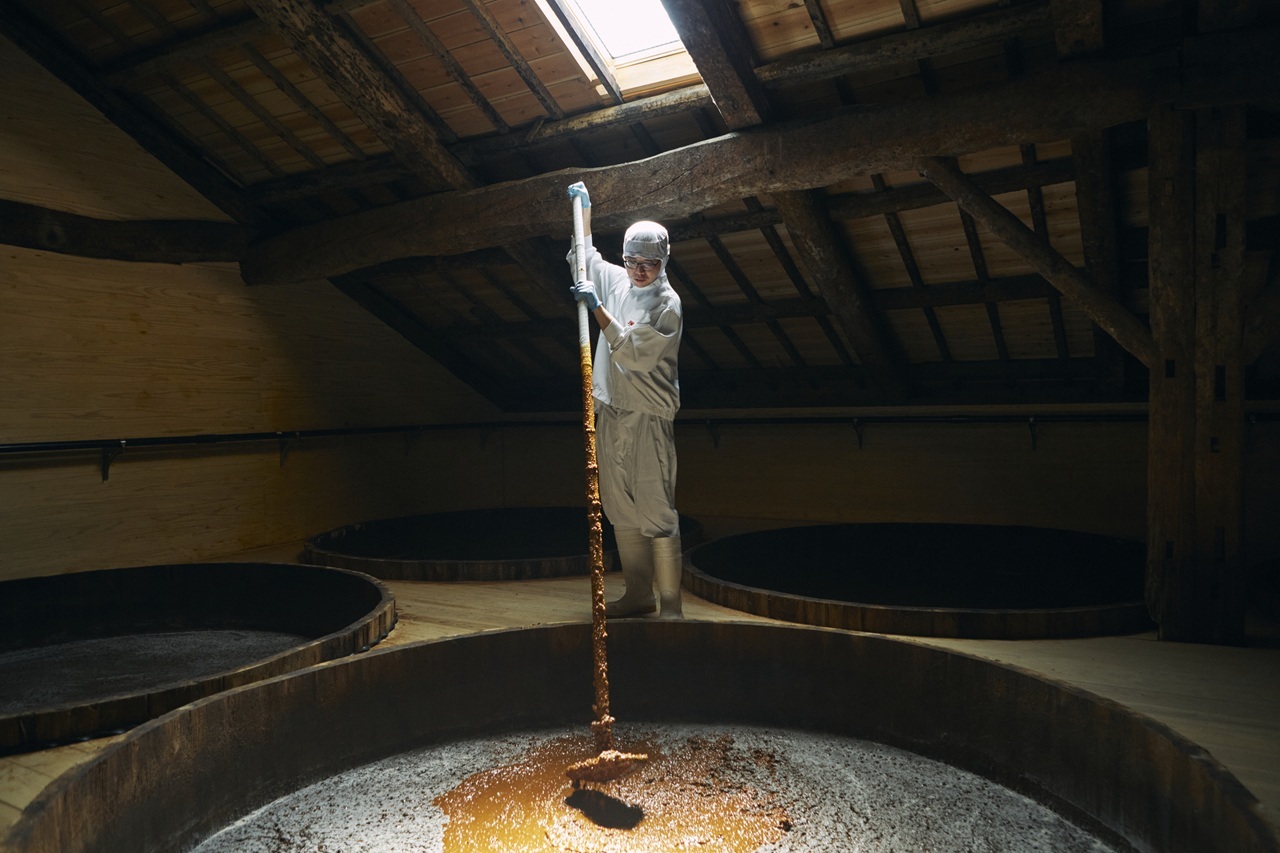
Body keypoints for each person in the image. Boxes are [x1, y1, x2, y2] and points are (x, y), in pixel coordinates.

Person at [566, 180, 684, 619]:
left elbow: (635, 354)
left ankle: (671, 605)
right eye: (632, 261)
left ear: (662, 262)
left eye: (648, 263)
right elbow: (586, 258)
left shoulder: (666, 304)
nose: (638, 270)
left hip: (648, 417)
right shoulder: (617, 280)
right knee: (621, 510)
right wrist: (585, 210)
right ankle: (638, 594)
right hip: (612, 411)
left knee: (656, 510)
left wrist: (597, 308)